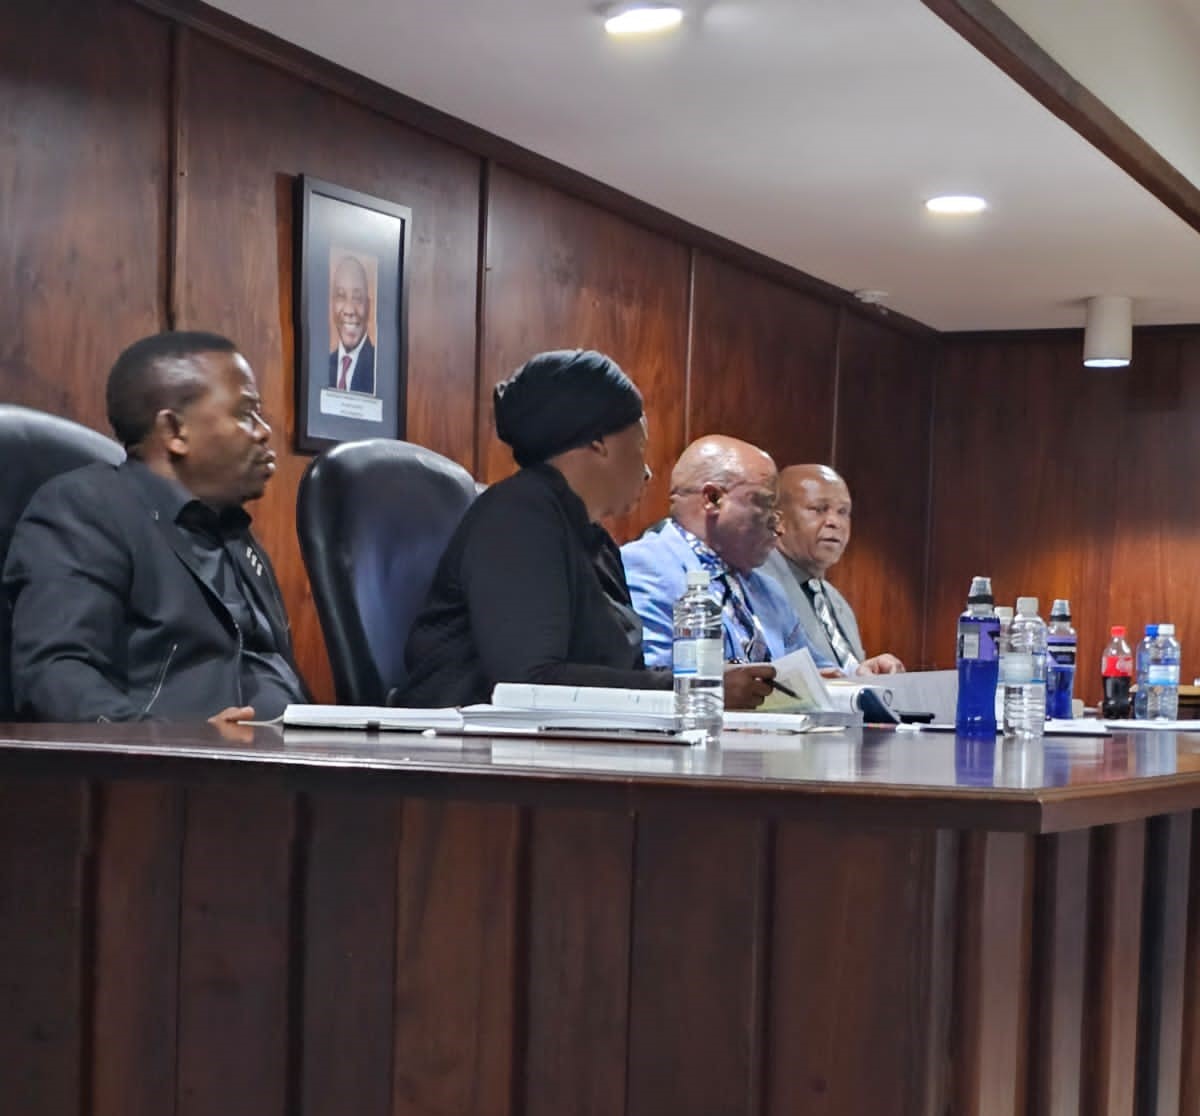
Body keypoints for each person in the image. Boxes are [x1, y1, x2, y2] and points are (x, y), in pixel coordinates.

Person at [398, 350, 775, 709]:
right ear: (598, 442)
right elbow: (529, 684)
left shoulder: (593, 539)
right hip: (467, 747)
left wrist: (696, 686)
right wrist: (693, 689)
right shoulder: (517, 517)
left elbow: (620, 675)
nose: (647, 471)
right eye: (639, 448)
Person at [4, 331, 308, 723]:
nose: (264, 431)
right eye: (245, 414)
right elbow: (56, 676)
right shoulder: (86, 509)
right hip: (176, 758)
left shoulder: (233, 533)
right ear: (175, 431)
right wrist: (179, 743)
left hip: (287, 750)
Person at [621, 435, 836, 670]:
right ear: (713, 499)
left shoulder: (768, 591)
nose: (779, 528)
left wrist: (858, 675)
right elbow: (653, 679)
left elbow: (819, 673)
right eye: (765, 504)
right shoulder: (644, 566)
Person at [760, 464, 904, 673]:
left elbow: (835, 675)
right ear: (779, 520)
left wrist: (864, 672)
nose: (834, 522)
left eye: (843, 512)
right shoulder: (757, 586)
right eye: (819, 509)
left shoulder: (836, 601)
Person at [327, 255, 376, 394]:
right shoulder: (322, 366)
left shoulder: (380, 369)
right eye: (341, 296)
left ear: (368, 307)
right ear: (332, 304)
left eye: (357, 298)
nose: (349, 310)